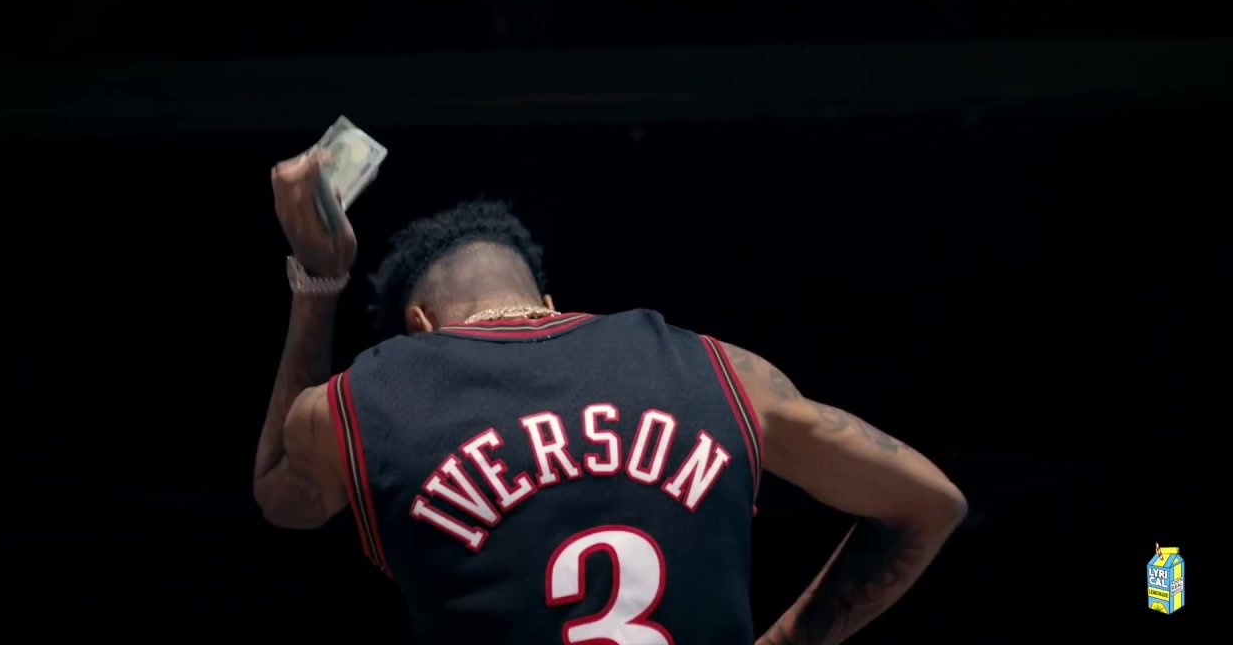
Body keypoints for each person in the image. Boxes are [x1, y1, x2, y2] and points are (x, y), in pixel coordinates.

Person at [254, 150, 968, 645]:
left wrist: (319, 279)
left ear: (420, 327)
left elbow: (280, 496)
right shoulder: (721, 371)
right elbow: (931, 504)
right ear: (549, 303)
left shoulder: (371, 397)